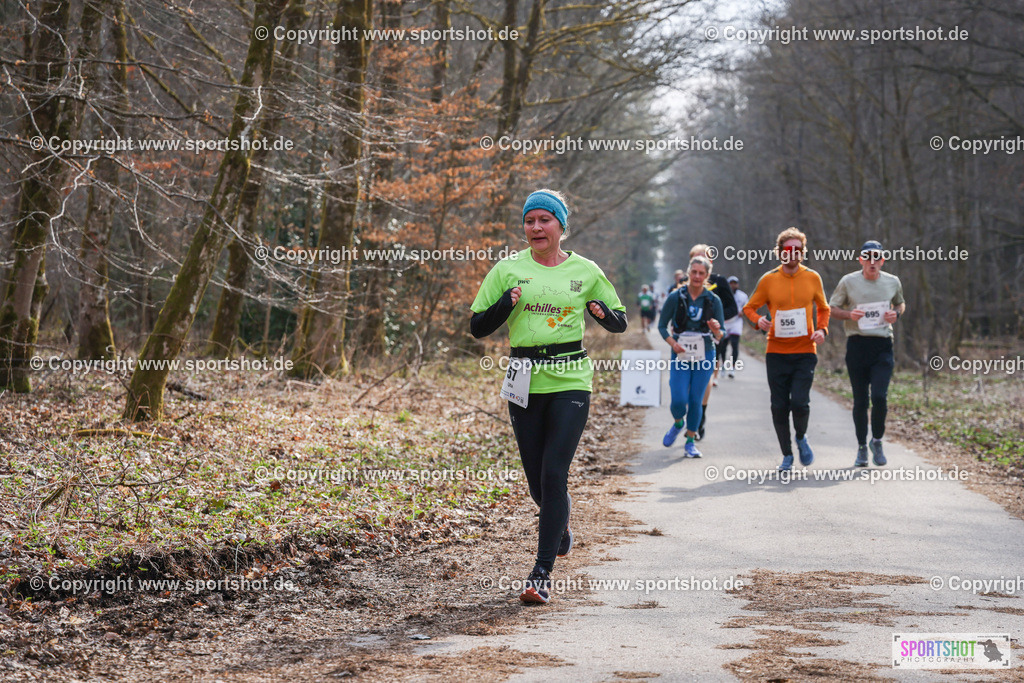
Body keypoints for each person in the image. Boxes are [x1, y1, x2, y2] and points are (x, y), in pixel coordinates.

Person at [470, 189, 627, 605]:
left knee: (555, 473)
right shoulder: (507, 269)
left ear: (561, 225)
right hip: (523, 376)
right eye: (529, 220)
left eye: (545, 220)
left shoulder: (586, 270)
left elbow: (620, 322)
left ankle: (541, 574)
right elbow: (478, 327)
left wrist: (601, 314)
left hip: (570, 377)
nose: (536, 227)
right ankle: (560, 527)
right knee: (538, 481)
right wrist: (506, 304)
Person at [742, 227, 831, 471]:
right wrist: (758, 320)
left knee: (800, 403)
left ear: (803, 253)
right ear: (780, 252)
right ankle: (787, 455)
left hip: (805, 351)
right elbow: (749, 307)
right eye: (788, 249)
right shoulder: (768, 279)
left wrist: (822, 330)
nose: (793, 254)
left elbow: (824, 308)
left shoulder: (812, 277)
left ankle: (801, 437)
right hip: (776, 352)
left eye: (798, 250)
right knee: (779, 405)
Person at [828, 240, 906, 467]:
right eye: (868, 257)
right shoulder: (848, 282)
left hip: (882, 346)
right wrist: (849, 315)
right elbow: (832, 309)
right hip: (857, 345)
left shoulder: (892, 282)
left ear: (882, 260)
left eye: (877, 257)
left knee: (880, 397)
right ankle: (862, 447)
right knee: (861, 400)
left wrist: (896, 314)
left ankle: (877, 441)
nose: (872, 261)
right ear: (861, 259)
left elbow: (901, 304)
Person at [658, 256, 725, 458]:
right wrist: (673, 344)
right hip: (681, 354)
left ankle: (690, 441)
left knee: (696, 399)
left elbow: (720, 336)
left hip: (705, 354)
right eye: (694, 272)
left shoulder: (714, 300)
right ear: (688, 273)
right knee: (678, 399)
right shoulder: (676, 297)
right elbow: (662, 326)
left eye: (701, 273)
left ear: (707, 276)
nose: (697, 276)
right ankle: (678, 423)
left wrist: (716, 329)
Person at [688, 245, 738, 438]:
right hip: (687, 339)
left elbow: (732, 308)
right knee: (688, 383)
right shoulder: (686, 282)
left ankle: (700, 417)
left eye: (704, 258)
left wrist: (717, 321)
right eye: (696, 258)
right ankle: (692, 415)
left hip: (709, 338)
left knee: (705, 378)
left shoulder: (719, 281)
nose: (700, 261)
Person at [721, 276, 748, 378]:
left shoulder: (743, 296)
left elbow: (748, 307)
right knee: (723, 346)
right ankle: (723, 365)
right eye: (731, 283)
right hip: (725, 321)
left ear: (738, 284)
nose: (733, 285)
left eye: (735, 283)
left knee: (734, 344)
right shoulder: (723, 295)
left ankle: (732, 368)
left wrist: (743, 312)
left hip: (736, 321)